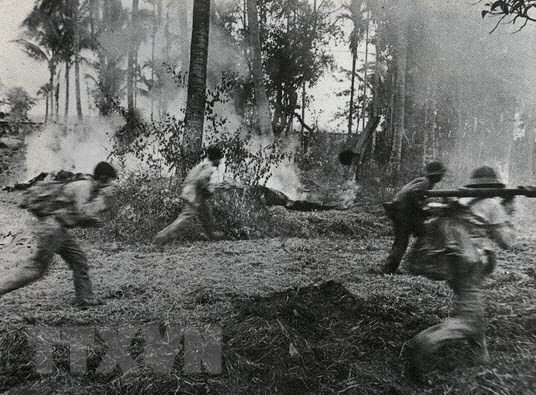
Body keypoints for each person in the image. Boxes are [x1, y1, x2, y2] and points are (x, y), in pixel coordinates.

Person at [406, 166, 516, 381]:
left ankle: (480, 356)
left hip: (453, 262)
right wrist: (509, 210)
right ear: (494, 187)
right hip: (472, 264)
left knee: (473, 308)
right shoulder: (492, 205)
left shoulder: (461, 201)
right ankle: (425, 342)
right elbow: (507, 241)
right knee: (469, 318)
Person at [0, 161, 118, 307]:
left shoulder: (88, 187)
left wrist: (93, 214)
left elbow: (75, 216)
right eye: (110, 181)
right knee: (35, 269)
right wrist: (100, 205)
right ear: (104, 178)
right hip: (52, 228)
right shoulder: (84, 187)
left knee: (79, 260)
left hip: (58, 229)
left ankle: (85, 298)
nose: (110, 184)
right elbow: (81, 214)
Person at [381, 161, 447, 274]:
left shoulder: (422, 181)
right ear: (434, 175)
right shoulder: (425, 182)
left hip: (401, 212)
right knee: (424, 234)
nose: (441, 177)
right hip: (405, 214)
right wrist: (421, 207)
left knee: (402, 241)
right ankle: (413, 264)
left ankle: (390, 268)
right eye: (440, 174)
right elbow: (412, 194)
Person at [154, 146, 226, 245]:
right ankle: (161, 237)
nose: (220, 162)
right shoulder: (208, 168)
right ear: (216, 158)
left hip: (192, 193)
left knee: (206, 212)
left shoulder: (202, 165)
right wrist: (207, 190)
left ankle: (212, 234)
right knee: (185, 218)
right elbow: (200, 180)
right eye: (220, 159)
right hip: (193, 195)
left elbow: (191, 178)